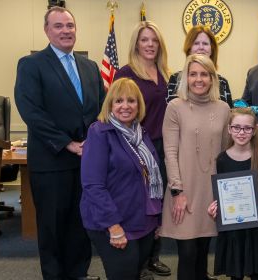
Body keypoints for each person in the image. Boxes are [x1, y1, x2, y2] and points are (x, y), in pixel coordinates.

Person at [14, 7, 105, 280]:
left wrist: (93, 142)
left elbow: (101, 109)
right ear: (47, 31)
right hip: (52, 161)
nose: (66, 31)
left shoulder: (90, 67)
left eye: (70, 25)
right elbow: (30, 111)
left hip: (86, 161)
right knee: (53, 228)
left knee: (81, 224)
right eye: (58, 26)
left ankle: (79, 274)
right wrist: (67, 143)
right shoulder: (31, 65)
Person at [80, 78, 163, 279]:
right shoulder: (99, 132)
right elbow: (93, 186)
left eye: (131, 101)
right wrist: (113, 227)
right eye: (118, 101)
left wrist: (157, 219)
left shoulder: (140, 133)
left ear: (139, 105)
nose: (125, 106)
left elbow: (149, 176)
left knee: (134, 273)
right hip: (114, 222)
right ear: (110, 105)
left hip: (142, 220)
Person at [160, 54, 230, 280]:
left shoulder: (223, 108)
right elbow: (170, 152)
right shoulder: (175, 107)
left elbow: (226, 153)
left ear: (212, 78)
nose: (198, 79)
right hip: (184, 190)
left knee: (202, 252)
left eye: (204, 74)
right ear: (185, 78)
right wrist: (177, 191)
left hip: (211, 191)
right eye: (193, 74)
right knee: (188, 254)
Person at [113, 20, 172, 278]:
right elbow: (117, 112)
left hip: (162, 146)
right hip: (136, 146)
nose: (150, 45)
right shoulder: (126, 72)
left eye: (154, 40)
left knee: (158, 200)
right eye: (144, 39)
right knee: (139, 201)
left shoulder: (166, 73)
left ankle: (153, 256)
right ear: (136, 43)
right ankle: (136, 259)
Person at [207, 107, 258, 280]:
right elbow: (222, 192)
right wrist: (216, 206)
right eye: (236, 127)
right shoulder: (222, 159)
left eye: (247, 128)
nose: (241, 132)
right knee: (236, 271)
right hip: (234, 226)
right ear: (229, 129)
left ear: (255, 129)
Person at [166, 25, 233, 107]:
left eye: (205, 43)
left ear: (212, 50)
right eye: (196, 43)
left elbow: (228, 116)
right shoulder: (175, 80)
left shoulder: (223, 83)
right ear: (189, 49)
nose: (201, 47)